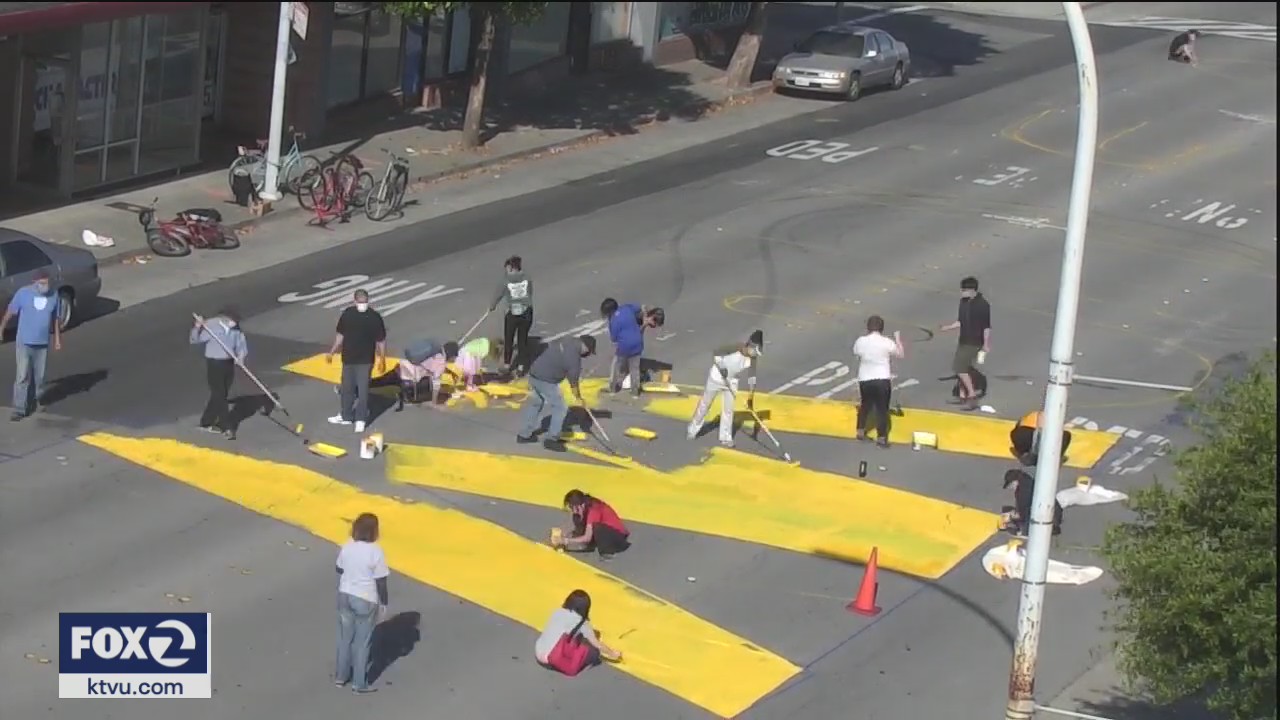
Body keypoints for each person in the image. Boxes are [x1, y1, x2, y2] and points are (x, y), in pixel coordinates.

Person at [335, 512, 390, 694]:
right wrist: (384, 603)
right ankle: (359, 683)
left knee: (345, 638)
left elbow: (338, 567)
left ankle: (341, 677)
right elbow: (381, 581)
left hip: (344, 594)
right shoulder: (376, 551)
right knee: (362, 643)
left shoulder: (348, 546)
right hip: (365, 598)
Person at [516, 335, 596, 452]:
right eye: (588, 352)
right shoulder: (574, 358)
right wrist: (578, 397)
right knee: (560, 407)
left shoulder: (568, 340)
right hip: (546, 379)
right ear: (586, 347)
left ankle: (524, 435)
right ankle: (552, 439)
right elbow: (573, 381)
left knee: (536, 403)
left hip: (534, 372)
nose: (587, 355)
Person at [686, 330, 764, 448]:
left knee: (728, 410)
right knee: (705, 404)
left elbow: (752, 378)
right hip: (716, 377)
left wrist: (750, 397)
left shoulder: (753, 359)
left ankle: (725, 437)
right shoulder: (735, 347)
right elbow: (716, 353)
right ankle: (692, 430)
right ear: (750, 345)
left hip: (731, 382)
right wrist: (722, 367)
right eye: (755, 351)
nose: (755, 355)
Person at [3, 269, 62, 422]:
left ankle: (35, 402)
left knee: (39, 377)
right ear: (34, 283)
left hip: (42, 343)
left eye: (47, 283)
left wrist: (57, 339)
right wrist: (1, 328)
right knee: (22, 376)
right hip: (24, 341)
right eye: (42, 283)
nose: (46, 286)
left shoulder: (54, 295)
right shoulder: (23, 294)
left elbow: (55, 318)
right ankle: (19, 409)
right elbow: (11, 310)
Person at [326, 289, 387, 433]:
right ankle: (348, 416)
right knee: (348, 388)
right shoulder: (353, 315)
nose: (362, 304)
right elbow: (341, 335)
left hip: (360, 359)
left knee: (361, 390)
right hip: (354, 359)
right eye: (361, 302)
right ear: (355, 301)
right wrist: (332, 351)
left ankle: (358, 419)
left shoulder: (369, 316)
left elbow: (380, 340)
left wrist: (382, 358)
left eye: (364, 302)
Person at [190, 309, 248, 439]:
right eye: (233, 322)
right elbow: (195, 340)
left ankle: (206, 421)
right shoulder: (211, 326)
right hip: (215, 364)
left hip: (229, 363)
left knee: (221, 394)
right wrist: (197, 327)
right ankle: (226, 426)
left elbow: (241, 345)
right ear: (226, 320)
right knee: (220, 395)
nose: (235, 324)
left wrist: (241, 358)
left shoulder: (236, 330)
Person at [534, 589, 622, 675]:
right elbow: (597, 644)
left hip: (538, 652)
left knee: (571, 638)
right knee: (593, 652)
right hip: (551, 659)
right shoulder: (582, 623)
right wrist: (613, 654)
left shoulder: (557, 611)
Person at [938, 276, 991, 411]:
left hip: (974, 341)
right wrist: (948, 327)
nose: (962, 292)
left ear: (972, 290)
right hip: (964, 339)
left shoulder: (983, 305)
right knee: (963, 368)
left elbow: (986, 327)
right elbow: (960, 321)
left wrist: (986, 344)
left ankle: (971, 396)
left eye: (964, 290)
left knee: (959, 368)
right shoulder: (964, 302)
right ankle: (962, 396)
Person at [852, 315, 905, 448]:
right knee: (882, 409)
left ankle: (860, 431)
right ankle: (881, 437)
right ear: (881, 328)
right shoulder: (886, 342)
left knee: (865, 406)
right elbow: (900, 354)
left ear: (868, 327)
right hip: (882, 379)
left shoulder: (861, 341)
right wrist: (898, 339)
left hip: (865, 378)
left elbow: (857, 353)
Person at [601, 298, 665, 397]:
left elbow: (614, 339)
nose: (653, 326)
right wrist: (643, 322)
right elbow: (641, 308)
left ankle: (613, 389)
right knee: (634, 369)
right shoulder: (628, 308)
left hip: (625, 345)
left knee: (617, 364)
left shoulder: (613, 320)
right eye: (654, 324)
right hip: (637, 344)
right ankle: (635, 393)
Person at [553, 489, 631, 558]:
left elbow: (587, 537)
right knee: (579, 521)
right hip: (608, 532)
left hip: (618, 536)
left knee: (597, 527)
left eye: (571, 507)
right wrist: (564, 536)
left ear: (579, 505)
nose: (571, 511)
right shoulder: (583, 508)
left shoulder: (594, 510)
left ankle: (608, 551)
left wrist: (566, 540)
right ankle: (598, 543)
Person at [490, 256, 533, 377]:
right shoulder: (527, 278)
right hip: (526, 312)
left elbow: (498, 295)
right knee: (522, 340)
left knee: (508, 339)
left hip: (512, 313)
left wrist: (492, 306)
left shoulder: (506, 280)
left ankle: (507, 365)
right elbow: (530, 292)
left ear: (511, 267)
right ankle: (521, 367)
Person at [1000, 469, 1063, 537]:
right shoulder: (1027, 480)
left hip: (1045, 517)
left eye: (1011, 485)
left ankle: (1022, 532)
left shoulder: (1022, 491)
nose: (1011, 488)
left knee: (1009, 513)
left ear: (1015, 481)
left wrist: (1013, 516)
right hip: (1053, 512)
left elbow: (1023, 512)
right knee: (1010, 512)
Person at [395, 337, 448, 410]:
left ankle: (407, 394)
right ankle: (410, 396)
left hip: (404, 366)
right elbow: (436, 384)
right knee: (427, 377)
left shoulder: (437, 351)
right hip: (413, 374)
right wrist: (434, 402)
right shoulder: (441, 363)